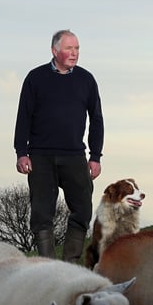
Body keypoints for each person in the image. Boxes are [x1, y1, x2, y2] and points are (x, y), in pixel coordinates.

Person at [13, 29, 104, 263]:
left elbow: (96, 119)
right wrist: (21, 152)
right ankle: (48, 266)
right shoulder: (35, 78)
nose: (74, 54)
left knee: (83, 210)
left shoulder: (86, 80)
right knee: (42, 214)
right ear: (55, 51)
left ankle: (71, 263)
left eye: (77, 49)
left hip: (75, 155)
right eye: (69, 49)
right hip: (40, 156)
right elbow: (23, 116)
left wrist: (95, 156)